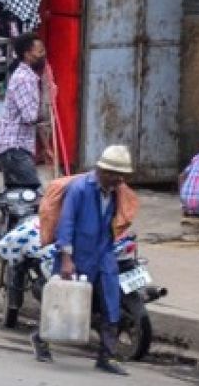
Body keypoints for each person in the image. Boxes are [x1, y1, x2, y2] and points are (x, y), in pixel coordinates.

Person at [31, 145, 137, 376]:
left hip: (104, 253)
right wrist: (67, 259)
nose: (118, 180)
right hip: (77, 254)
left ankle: (106, 356)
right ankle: (41, 338)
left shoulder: (117, 191)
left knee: (111, 304)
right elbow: (66, 224)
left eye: (121, 176)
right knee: (63, 303)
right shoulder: (79, 189)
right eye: (114, 175)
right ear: (102, 171)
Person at [0, 33, 46, 188]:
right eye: (40, 51)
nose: (43, 55)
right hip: (14, 147)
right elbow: (30, 116)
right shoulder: (24, 79)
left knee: (16, 195)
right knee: (32, 192)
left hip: (15, 146)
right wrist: (46, 112)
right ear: (27, 54)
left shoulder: (28, 76)